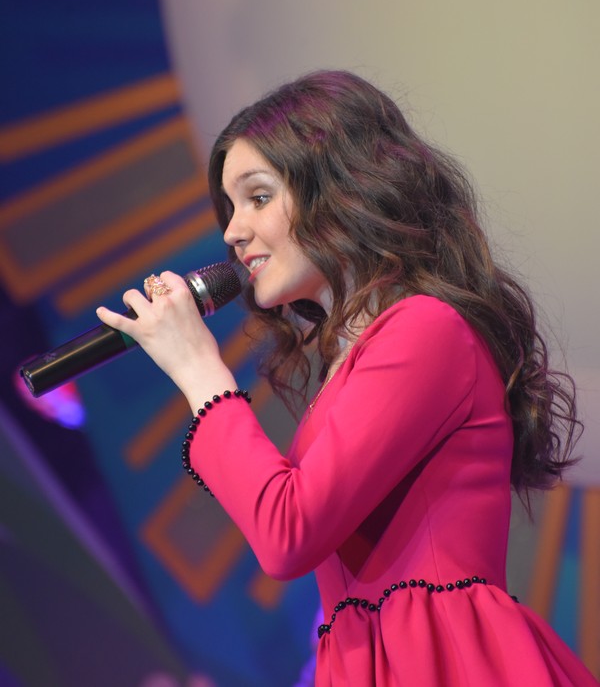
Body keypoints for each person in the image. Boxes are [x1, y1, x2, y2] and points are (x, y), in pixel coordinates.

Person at [97, 71, 596, 686]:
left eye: (258, 197)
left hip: (441, 658)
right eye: (230, 207)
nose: (232, 231)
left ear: (340, 188)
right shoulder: (353, 363)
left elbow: (288, 532)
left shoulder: (425, 330)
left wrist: (199, 370)